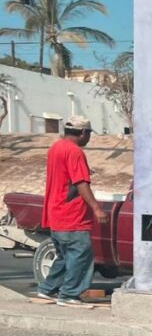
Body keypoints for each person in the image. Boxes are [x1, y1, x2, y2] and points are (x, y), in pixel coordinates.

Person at [36, 116, 109, 308]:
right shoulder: (75, 152)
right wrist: (96, 208)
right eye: (89, 134)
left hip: (56, 213)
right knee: (82, 256)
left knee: (65, 256)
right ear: (83, 133)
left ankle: (47, 289)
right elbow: (80, 183)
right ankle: (69, 294)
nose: (89, 138)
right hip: (71, 215)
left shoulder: (56, 148)